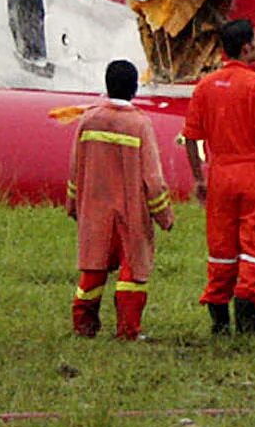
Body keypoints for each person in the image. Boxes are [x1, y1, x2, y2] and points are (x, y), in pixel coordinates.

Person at [180, 19, 255, 336]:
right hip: (252, 173)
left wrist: (199, 176)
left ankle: (219, 319)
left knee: (221, 247)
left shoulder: (205, 86)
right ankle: (247, 314)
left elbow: (193, 139)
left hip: (219, 174)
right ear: (246, 47)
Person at [66, 59, 175, 340]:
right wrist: (164, 216)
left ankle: (83, 325)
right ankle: (128, 329)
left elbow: (75, 168)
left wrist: (73, 205)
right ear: (135, 88)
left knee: (93, 266)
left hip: (94, 209)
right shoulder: (139, 124)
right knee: (132, 270)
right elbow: (152, 178)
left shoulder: (88, 120)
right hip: (130, 211)